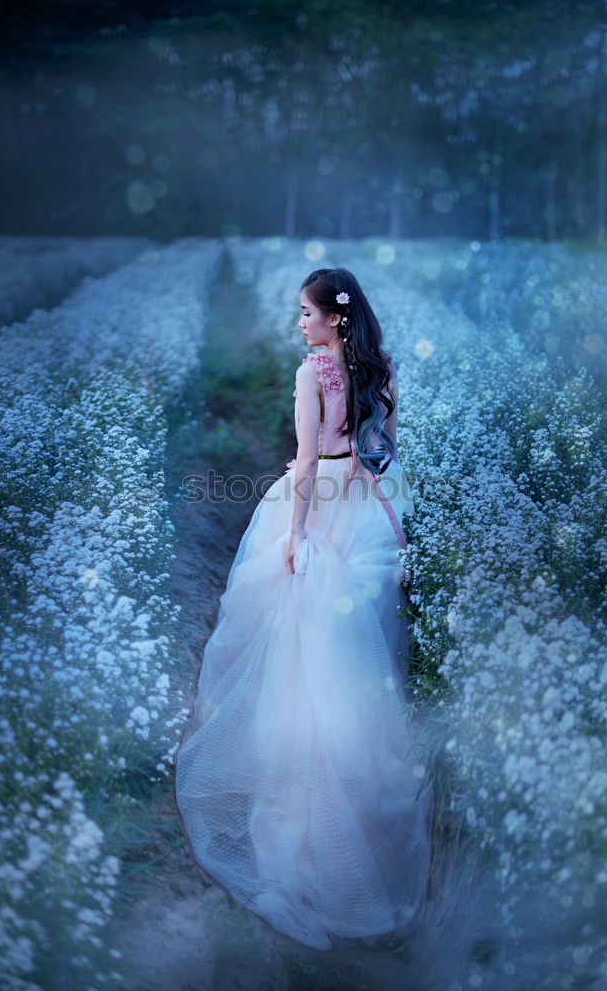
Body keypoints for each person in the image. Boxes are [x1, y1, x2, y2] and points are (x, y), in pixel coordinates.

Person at [173, 267, 434, 951]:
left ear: (332, 319)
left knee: (299, 661)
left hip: (319, 510)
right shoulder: (381, 370)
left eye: (306, 313)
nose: (299, 323)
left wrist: (292, 538)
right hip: (370, 512)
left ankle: (304, 822)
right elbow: (385, 453)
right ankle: (364, 823)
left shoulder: (311, 372)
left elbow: (308, 462)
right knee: (358, 664)